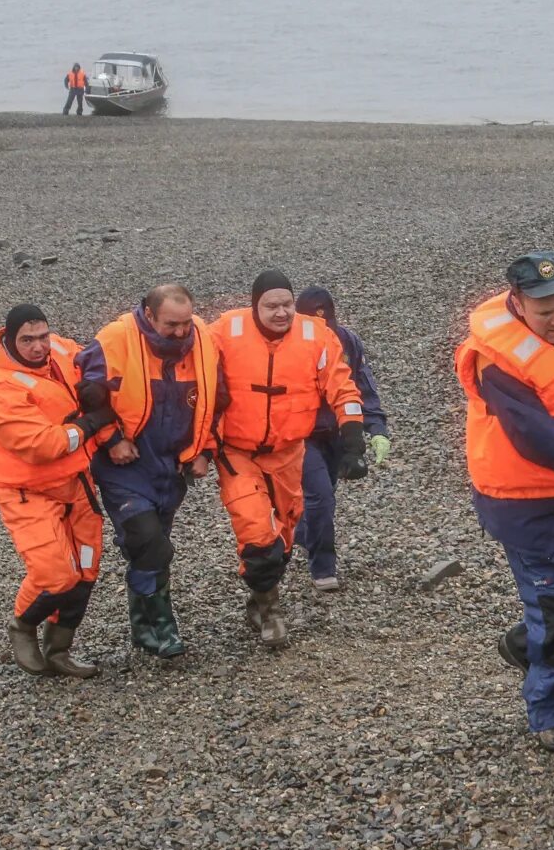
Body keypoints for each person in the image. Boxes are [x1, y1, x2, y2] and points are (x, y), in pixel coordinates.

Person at [458, 251, 554, 750]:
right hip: (524, 502)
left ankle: (523, 645)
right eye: (543, 307)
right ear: (517, 303)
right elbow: (541, 439)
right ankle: (550, 714)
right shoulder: (497, 359)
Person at [211, 270, 367, 647]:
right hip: (238, 452)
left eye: (286, 304)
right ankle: (271, 613)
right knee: (256, 532)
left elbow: (341, 384)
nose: (281, 313)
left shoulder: (316, 335)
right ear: (254, 305)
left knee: (282, 536)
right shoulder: (223, 332)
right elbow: (190, 372)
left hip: (289, 453)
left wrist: (353, 436)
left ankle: (258, 596)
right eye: (271, 306)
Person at [0, 304, 115, 678]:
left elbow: (93, 356)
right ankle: (22, 625)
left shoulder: (60, 350)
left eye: (43, 336)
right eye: (27, 340)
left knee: (84, 568)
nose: (38, 346)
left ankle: (59, 650)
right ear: (10, 340)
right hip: (27, 491)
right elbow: (42, 445)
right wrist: (91, 423)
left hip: (76, 483)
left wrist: (95, 381)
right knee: (55, 575)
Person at [77, 285, 220, 657]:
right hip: (125, 466)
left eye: (187, 322)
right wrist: (112, 440)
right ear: (149, 314)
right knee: (150, 542)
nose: (181, 332)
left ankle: (143, 628)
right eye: (171, 324)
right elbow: (88, 395)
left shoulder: (202, 341)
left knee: (148, 548)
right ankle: (163, 624)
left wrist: (204, 451)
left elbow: (216, 401)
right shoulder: (114, 339)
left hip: (171, 467)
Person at [291, 286, 389, 592]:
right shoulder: (286, 346)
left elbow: (362, 385)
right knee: (321, 495)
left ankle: (298, 533)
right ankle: (323, 567)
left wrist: (376, 428)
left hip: (338, 432)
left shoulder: (347, 341)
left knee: (319, 498)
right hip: (300, 435)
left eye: (328, 323)